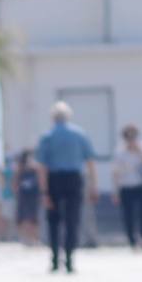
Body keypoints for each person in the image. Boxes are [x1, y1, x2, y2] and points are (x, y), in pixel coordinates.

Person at [35, 102, 98, 273]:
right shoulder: (79, 134)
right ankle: (70, 259)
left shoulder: (47, 136)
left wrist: (43, 191)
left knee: (53, 220)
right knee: (72, 220)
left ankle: (55, 258)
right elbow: (90, 162)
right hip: (74, 179)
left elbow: (41, 167)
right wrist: (94, 185)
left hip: (54, 180)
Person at [112, 125, 142, 250]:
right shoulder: (120, 151)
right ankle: (132, 240)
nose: (131, 140)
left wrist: (140, 152)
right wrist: (115, 191)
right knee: (128, 215)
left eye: (133, 137)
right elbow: (115, 173)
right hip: (126, 186)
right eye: (129, 137)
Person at [14, 150, 42, 246]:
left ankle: (35, 238)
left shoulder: (36, 168)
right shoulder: (20, 168)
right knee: (23, 217)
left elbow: (40, 176)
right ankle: (25, 238)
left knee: (34, 218)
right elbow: (16, 180)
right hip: (23, 195)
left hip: (33, 195)